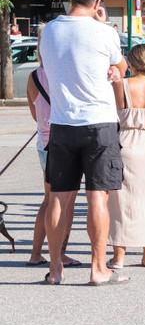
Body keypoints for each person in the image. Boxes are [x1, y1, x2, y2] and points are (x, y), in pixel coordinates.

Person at [39, 0, 129, 285]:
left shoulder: (48, 31)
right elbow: (120, 67)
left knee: (58, 199)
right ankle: (97, 267)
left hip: (62, 123)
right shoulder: (105, 33)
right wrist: (101, 23)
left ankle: (55, 269)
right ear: (97, 3)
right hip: (99, 124)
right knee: (97, 199)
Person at [108, 44, 145, 269]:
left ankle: (119, 257)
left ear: (132, 62)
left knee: (120, 201)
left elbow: (117, 111)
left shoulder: (122, 85)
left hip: (126, 143)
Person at [26, 61, 82, 270]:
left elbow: (34, 112)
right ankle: (60, 254)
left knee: (48, 200)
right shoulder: (63, 72)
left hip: (43, 142)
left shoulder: (33, 76)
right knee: (65, 202)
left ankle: (36, 252)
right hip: (63, 141)